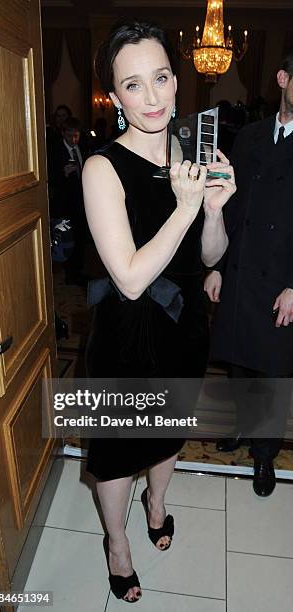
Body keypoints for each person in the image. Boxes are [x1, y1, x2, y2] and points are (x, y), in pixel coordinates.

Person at [82, 20, 236, 603]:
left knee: (169, 433)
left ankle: (159, 501)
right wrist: (185, 204)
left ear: (177, 80)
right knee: (121, 450)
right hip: (127, 336)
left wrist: (214, 209)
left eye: (162, 78)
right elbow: (127, 278)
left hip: (185, 327)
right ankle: (117, 542)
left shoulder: (189, 152)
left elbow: (209, 255)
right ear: (115, 97)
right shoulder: (102, 168)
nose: (152, 97)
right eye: (133, 84)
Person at [205, 49, 293, 497]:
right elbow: (232, 208)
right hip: (240, 271)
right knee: (239, 365)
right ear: (282, 77)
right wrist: (218, 266)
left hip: (282, 279)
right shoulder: (251, 136)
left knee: (273, 376)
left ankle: (264, 456)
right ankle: (240, 429)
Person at [48, 116, 90, 285]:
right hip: (65, 205)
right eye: (70, 135)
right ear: (63, 133)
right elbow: (48, 177)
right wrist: (62, 174)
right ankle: (70, 275)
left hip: (82, 203)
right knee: (67, 240)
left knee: (81, 239)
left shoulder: (83, 147)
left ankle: (78, 272)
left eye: (76, 135)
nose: (73, 139)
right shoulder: (54, 150)